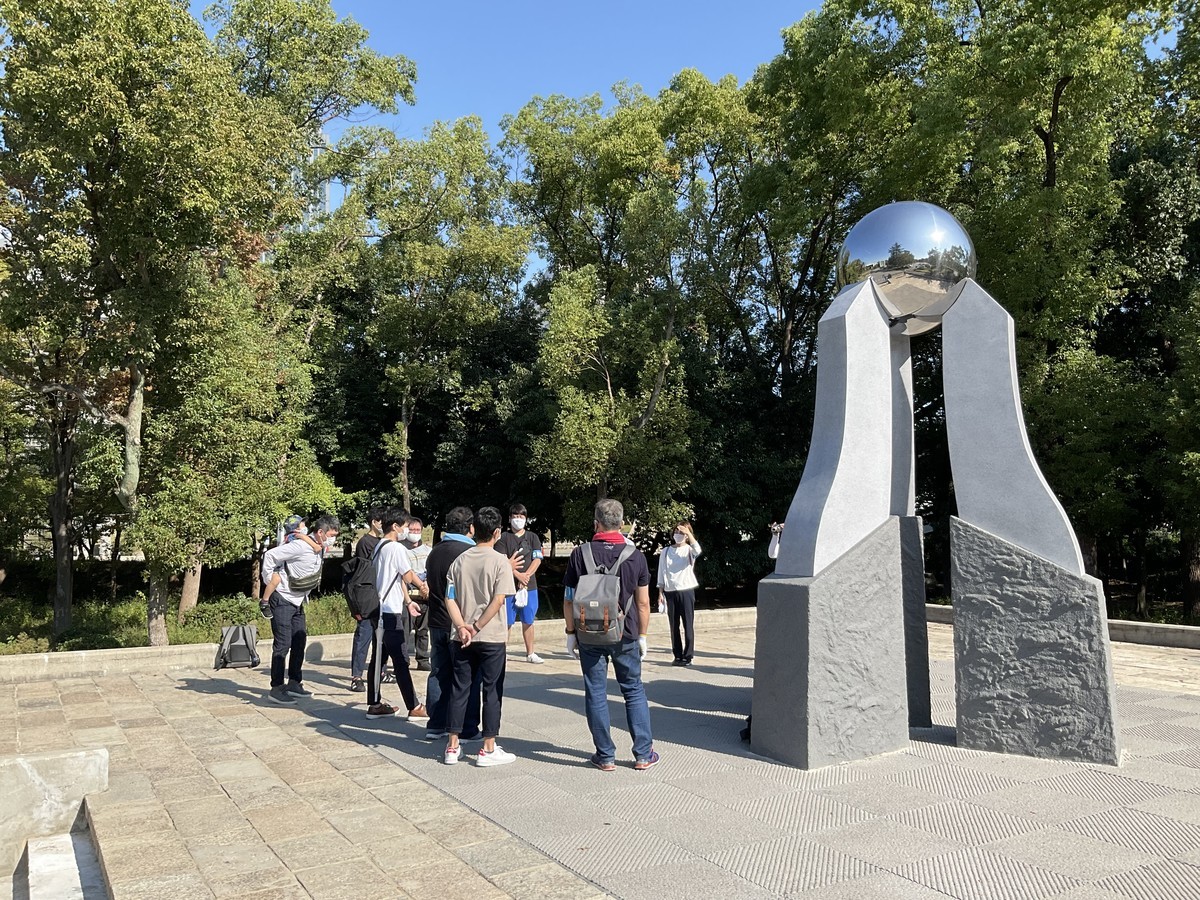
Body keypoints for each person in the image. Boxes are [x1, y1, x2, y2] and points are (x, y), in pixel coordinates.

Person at [563, 499, 658, 772]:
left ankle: (605, 756)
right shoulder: (635, 556)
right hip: (625, 633)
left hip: (588, 633)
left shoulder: (579, 554)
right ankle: (643, 754)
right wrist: (642, 635)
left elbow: (569, 599)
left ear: (596, 523)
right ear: (622, 523)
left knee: (595, 692)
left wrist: (570, 633)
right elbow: (643, 603)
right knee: (633, 690)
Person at [442, 506, 517, 767]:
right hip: (491, 636)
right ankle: (488, 747)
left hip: (460, 637)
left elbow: (449, 598)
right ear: (497, 532)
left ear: (473, 530)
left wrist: (462, 626)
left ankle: (452, 746)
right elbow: (499, 600)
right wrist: (476, 626)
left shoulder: (459, 561)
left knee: (459, 688)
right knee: (492, 690)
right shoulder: (500, 561)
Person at [261, 515, 340, 704]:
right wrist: (270, 580)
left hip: (298, 601)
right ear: (320, 532)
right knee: (283, 644)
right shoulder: (300, 546)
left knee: (299, 640)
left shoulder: (317, 545)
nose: (333, 539)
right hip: (283, 598)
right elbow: (270, 555)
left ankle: (294, 682)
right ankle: (276, 687)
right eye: (331, 535)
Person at [422, 506, 482, 742]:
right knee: (466, 676)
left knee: (438, 672)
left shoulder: (435, 552)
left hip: (436, 620)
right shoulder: (469, 552)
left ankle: (436, 724)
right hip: (459, 623)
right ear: (471, 527)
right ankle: (467, 726)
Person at [365, 507, 429, 720]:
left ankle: (374, 704)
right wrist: (423, 587)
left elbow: (396, 578)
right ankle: (414, 706)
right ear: (395, 526)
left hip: (379, 610)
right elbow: (407, 575)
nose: (406, 531)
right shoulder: (395, 548)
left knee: (379, 658)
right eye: (405, 526)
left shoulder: (379, 546)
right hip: (389, 613)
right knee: (401, 659)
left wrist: (408, 601)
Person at [495, 503, 545, 664]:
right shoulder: (503, 538)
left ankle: (530, 653)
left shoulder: (533, 537)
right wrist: (518, 576)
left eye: (521, 516)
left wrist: (526, 576)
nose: (518, 519)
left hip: (530, 587)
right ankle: (501, 654)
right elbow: (503, 561)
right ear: (510, 518)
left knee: (528, 620)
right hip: (508, 587)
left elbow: (537, 559)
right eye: (515, 516)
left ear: (526, 518)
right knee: (507, 621)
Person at [348, 506, 385, 692]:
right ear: (374, 522)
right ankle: (357, 676)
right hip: (367, 596)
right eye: (381, 521)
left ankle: (380, 671)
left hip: (382, 596)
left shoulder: (383, 541)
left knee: (381, 638)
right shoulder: (365, 542)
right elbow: (364, 571)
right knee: (363, 636)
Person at [657, 521, 702, 666]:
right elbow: (661, 572)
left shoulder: (689, 550)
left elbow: (697, 550)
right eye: (676, 531)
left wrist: (688, 533)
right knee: (673, 625)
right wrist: (660, 592)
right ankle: (677, 655)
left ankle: (688, 656)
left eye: (681, 532)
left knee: (688, 624)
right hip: (670, 591)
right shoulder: (665, 551)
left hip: (686, 589)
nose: (678, 534)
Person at [402, 516, 433, 671]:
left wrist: (426, 585)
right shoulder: (401, 550)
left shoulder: (428, 551)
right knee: (404, 631)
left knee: (423, 631)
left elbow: (432, 570)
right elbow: (405, 573)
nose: (414, 533)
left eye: (417, 530)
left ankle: (422, 659)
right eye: (412, 530)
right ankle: (403, 661)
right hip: (408, 597)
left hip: (424, 597)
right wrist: (420, 584)